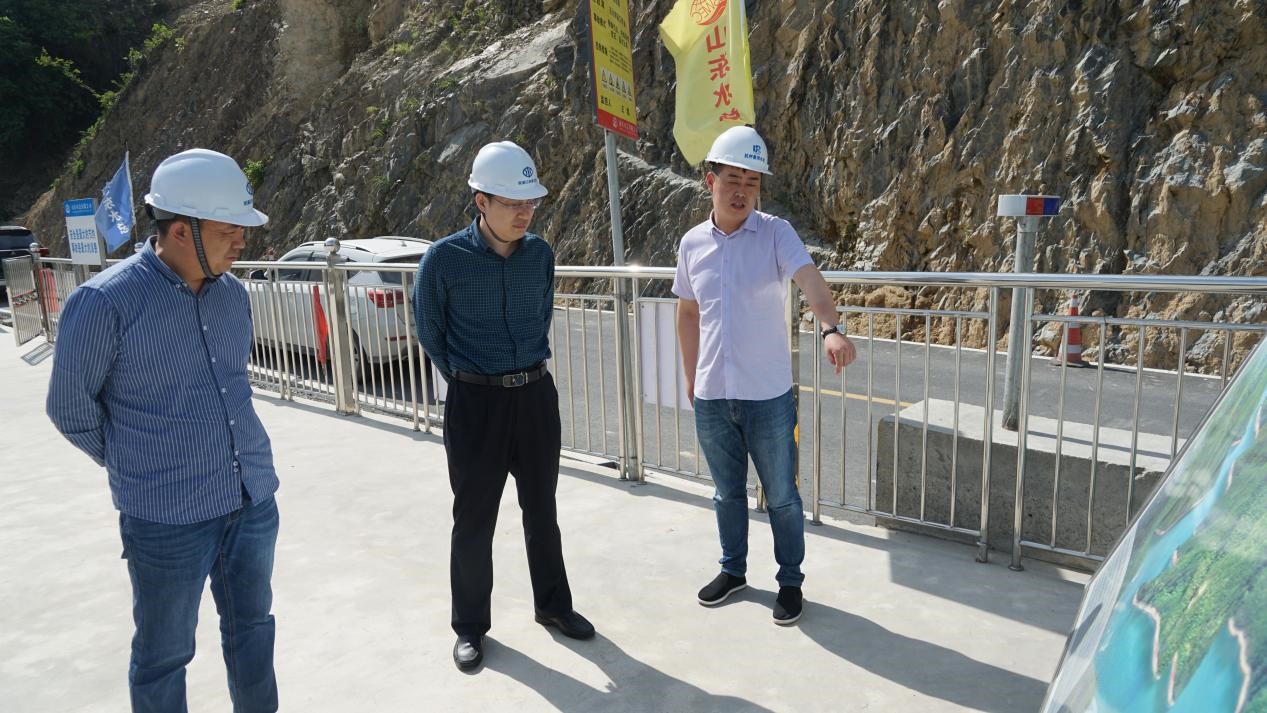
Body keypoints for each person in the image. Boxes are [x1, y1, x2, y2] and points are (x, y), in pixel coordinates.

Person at [47, 148, 281, 711]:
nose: (241, 242)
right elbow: (70, 408)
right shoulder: (104, 302)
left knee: (253, 632)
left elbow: (232, 388)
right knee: (164, 655)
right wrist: (139, 461)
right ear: (180, 231)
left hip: (250, 499)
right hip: (166, 518)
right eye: (228, 231)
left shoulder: (232, 295)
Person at [412, 141, 594, 672]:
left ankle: (553, 605)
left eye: (530, 202)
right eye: (512, 202)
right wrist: (469, 379)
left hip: (535, 397)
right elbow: (430, 330)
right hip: (476, 403)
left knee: (542, 509)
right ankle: (470, 627)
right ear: (481, 201)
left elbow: (542, 315)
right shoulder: (444, 259)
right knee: (474, 519)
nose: (524, 212)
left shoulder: (540, 255)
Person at [674, 126, 857, 626]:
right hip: (713, 394)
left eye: (751, 182)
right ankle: (732, 571)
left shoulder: (776, 233)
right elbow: (688, 313)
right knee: (726, 493)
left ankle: (790, 582)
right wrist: (691, 376)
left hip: (768, 395)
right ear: (710, 181)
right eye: (732, 180)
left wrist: (831, 329)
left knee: (782, 497)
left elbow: (810, 280)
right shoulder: (692, 244)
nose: (742, 191)